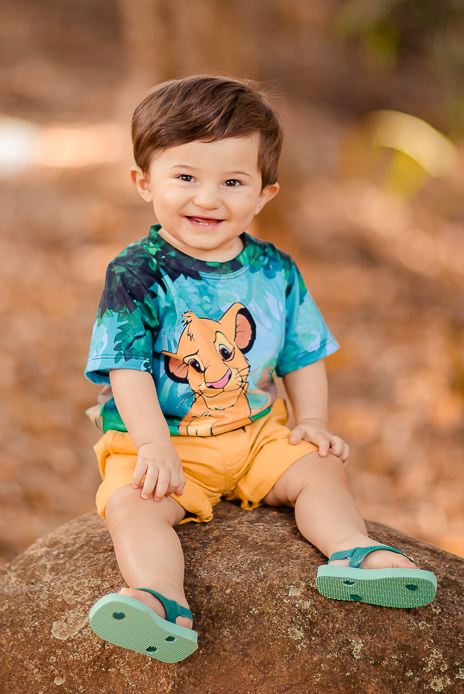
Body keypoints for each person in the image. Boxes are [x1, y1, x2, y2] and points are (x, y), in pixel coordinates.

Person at [84, 75, 436, 663]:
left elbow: (303, 353)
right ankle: (160, 600)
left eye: (232, 182)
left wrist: (312, 421)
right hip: (167, 444)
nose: (208, 199)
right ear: (144, 183)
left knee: (319, 468)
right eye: (185, 178)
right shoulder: (136, 273)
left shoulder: (276, 271)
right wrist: (151, 444)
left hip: (255, 435)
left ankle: (352, 552)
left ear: (264, 194)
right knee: (131, 505)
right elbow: (128, 368)